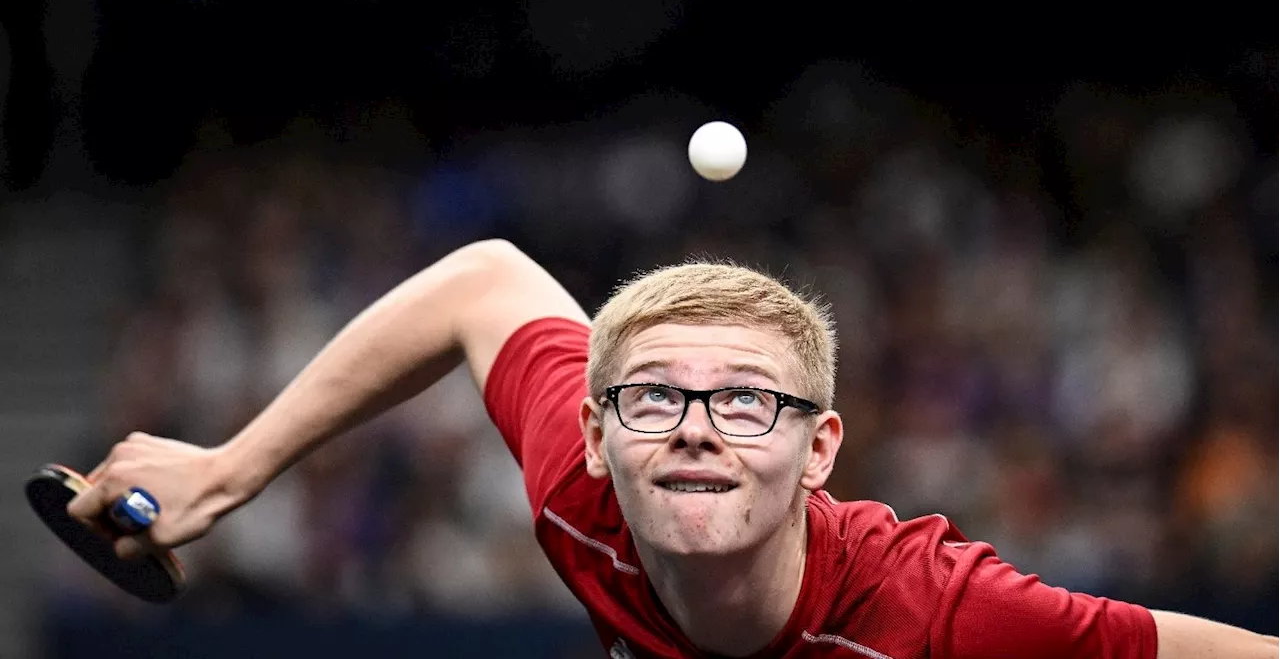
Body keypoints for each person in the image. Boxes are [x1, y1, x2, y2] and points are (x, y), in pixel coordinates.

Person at [69, 239, 1276, 658]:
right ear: (593, 434)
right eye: (652, 397)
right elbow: (482, 279)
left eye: (746, 401)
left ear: (820, 450)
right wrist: (229, 469)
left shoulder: (940, 612)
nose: (693, 424)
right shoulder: (580, 491)